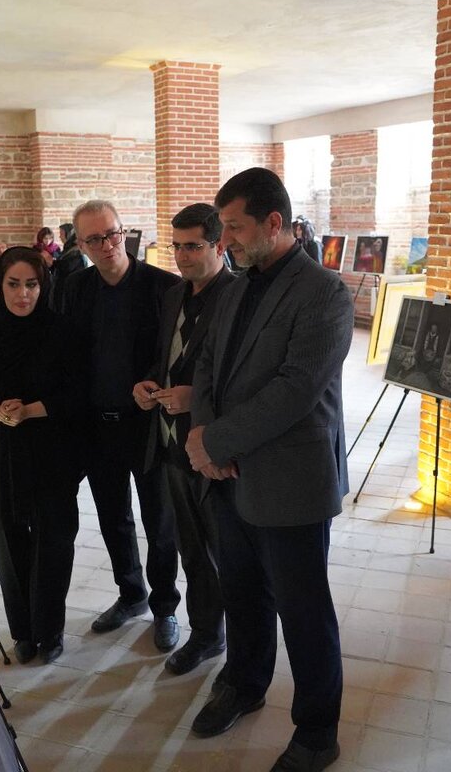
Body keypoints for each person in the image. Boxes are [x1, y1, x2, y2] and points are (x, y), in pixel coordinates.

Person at [185, 167, 353, 772]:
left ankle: (317, 733)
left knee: (303, 612)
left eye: (234, 227)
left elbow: (295, 389)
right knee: (241, 590)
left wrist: (216, 441)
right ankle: (245, 682)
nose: (224, 239)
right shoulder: (236, 286)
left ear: (274, 223)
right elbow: (207, 365)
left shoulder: (325, 292)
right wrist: (207, 438)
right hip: (229, 473)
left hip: (289, 480)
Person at [0, 247, 85, 665]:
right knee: (7, 539)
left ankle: (50, 629)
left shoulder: (61, 329)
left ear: (43, 286)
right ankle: (23, 630)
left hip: (51, 448)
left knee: (53, 539)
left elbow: (78, 395)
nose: (23, 294)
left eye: (31, 284)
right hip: (0, 450)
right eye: (14, 284)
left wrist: (30, 410)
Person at [58, 200, 183, 652]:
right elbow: (65, 353)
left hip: (147, 424)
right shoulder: (73, 288)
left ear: (124, 232)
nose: (107, 244)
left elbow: (176, 353)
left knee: (159, 520)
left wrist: (154, 383)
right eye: (94, 238)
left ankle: (165, 606)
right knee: (113, 517)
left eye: (112, 233)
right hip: (97, 425)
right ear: (80, 244)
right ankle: (132, 594)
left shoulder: (164, 286)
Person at [132, 203, 235, 676]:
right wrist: (146, 383)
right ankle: (207, 634)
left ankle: (233, 638)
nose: (181, 256)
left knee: (224, 551)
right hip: (171, 442)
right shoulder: (174, 294)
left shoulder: (237, 296)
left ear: (219, 245)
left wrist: (197, 397)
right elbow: (165, 358)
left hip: (215, 446)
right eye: (176, 246)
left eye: (192, 246)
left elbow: (246, 377)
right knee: (190, 547)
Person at [51, 222, 86, 311]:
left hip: (70, 290)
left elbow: (67, 267)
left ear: (69, 234)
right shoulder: (68, 249)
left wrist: (52, 263)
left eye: (62, 234)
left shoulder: (76, 251)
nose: (60, 237)